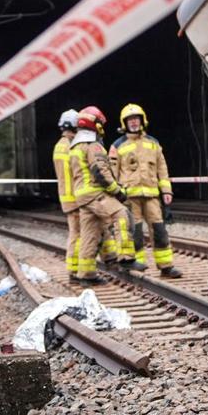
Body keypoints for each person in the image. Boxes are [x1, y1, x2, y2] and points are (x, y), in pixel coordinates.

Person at [110, 104, 182, 278]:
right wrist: (115, 194)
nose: (133, 123)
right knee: (135, 233)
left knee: (159, 230)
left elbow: (162, 168)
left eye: (136, 119)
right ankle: (137, 266)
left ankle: (166, 266)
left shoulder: (153, 143)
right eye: (130, 120)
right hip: (129, 197)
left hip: (151, 195)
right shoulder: (117, 146)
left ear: (142, 121)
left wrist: (166, 191)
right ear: (124, 123)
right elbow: (111, 172)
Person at [68, 105, 137, 282]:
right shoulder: (93, 146)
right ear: (94, 124)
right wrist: (117, 191)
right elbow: (100, 172)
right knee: (122, 215)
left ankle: (86, 274)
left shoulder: (74, 146)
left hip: (83, 197)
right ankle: (127, 258)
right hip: (95, 194)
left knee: (89, 235)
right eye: (100, 123)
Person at [52, 109, 82, 282]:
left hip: (67, 197)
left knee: (75, 234)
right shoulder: (69, 147)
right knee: (76, 235)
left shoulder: (60, 145)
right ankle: (74, 270)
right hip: (74, 198)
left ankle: (75, 268)